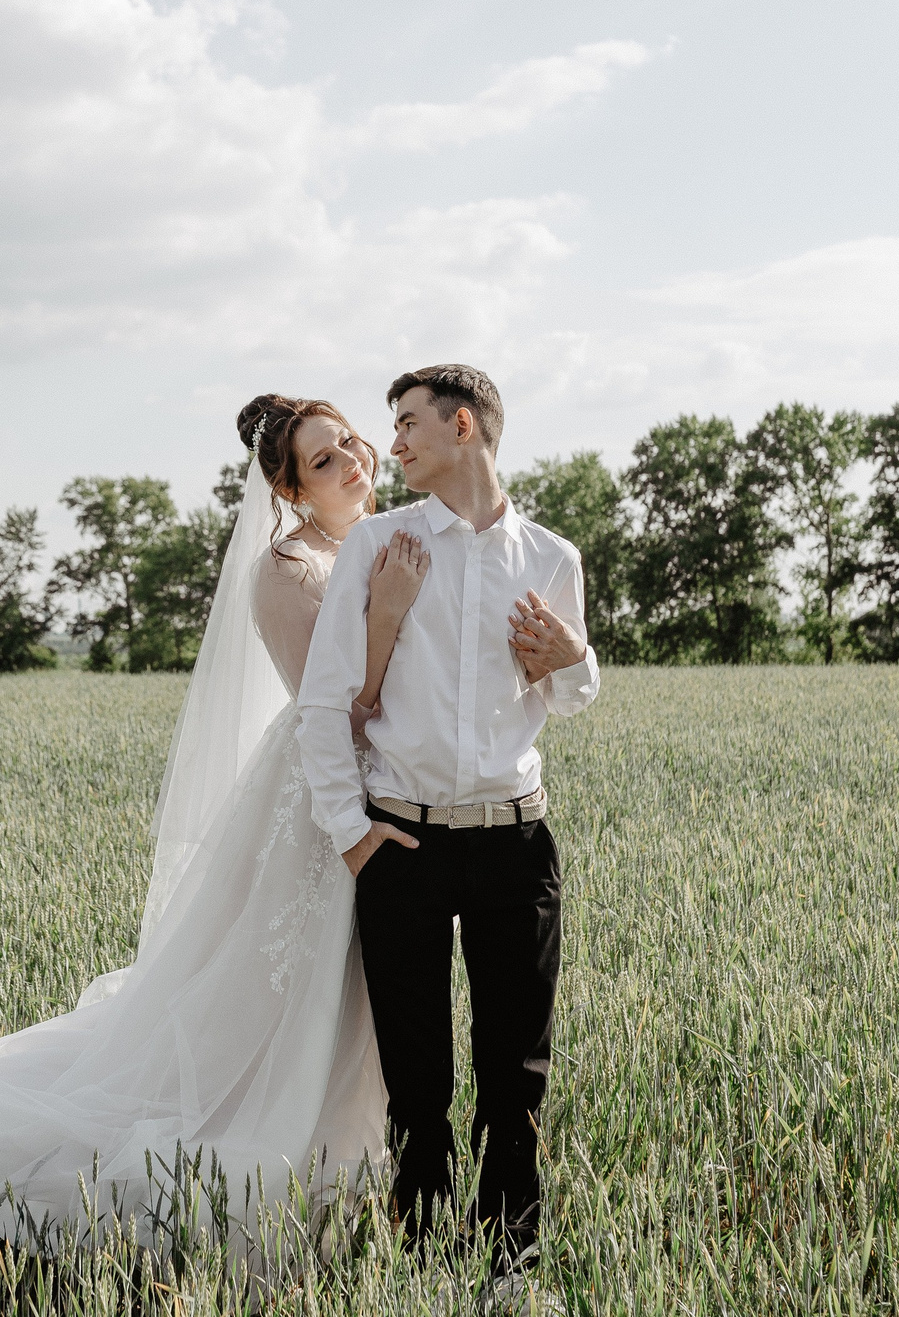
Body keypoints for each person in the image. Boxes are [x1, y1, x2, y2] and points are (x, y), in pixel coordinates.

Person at [0, 395, 427, 1257]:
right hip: (321, 801)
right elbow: (339, 707)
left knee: (377, 996)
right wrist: (387, 611)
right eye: (323, 459)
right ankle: (290, 1175)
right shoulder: (286, 570)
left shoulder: (393, 539)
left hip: (402, 791)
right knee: (307, 996)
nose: (352, 459)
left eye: (351, 441)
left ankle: (371, 1173)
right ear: (289, 489)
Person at [297, 363, 598, 1277]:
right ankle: (423, 1264)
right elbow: (324, 700)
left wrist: (575, 657)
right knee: (417, 1085)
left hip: (517, 842)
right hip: (404, 844)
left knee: (517, 1080)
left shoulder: (552, 556)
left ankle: (510, 1265)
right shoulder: (377, 546)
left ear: (463, 425)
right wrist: (353, 833)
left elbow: (573, 692)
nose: (391, 445)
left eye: (407, 424)